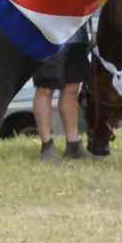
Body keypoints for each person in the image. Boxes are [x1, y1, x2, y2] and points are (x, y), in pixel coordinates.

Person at [33, 20, 92, 160]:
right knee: (45, 88)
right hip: (49, 35)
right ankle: (47, 146)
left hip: (77, 34)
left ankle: (73, 146)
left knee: (72, 89)